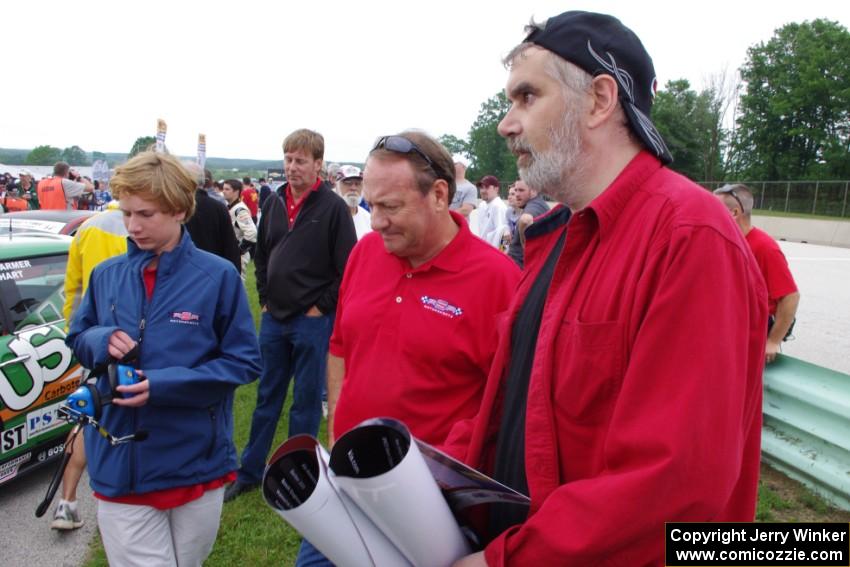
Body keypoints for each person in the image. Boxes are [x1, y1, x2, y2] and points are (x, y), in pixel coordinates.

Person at [446, 11, 767, 566]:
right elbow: (514, 404)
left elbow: (677, 486)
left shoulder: (689, 235)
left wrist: (509, 560)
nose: (505, 123)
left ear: (599, 100)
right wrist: (428, 473)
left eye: (526, 97)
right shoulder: (559, 238)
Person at [298, 133, 520, 566]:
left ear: (439, 194)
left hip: (430, 507)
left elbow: (508, 402)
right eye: (371, 204)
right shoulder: (365, 254)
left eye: (390, 207)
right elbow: (341, 345)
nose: (375, 220)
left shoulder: (497, 280)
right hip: (344, 484)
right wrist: (336, 431)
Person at [66, 151, 261, 566]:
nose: (133, 226)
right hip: (122, 463)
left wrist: (165, 385)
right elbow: (78, 337)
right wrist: (102, 339)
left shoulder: (218, 277)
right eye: (126, 213)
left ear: (178, 210)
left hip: (195, 461)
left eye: (145, 214)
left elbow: (244, 362)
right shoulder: (107, 275)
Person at [225, 129, 356, 502]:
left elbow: (346, 267)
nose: (292, 167)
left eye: (300, 160)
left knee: (305, 401)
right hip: (275, 318)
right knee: (268, 395)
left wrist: (321, 307)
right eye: (288, 159)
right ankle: (249, 472)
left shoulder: (332, 208)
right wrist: (264, 297)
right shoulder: (275, 202)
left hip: (311, 320)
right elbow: (263, 253)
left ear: (318, 164)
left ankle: (298, 473)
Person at [51, 202, 129, 531]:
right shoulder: (150, 224)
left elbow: (74, 289)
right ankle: (119, 506)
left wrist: (77, 337)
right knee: (127, 418)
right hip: (131, 339)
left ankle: (66, 503)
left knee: (86, 418)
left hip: (93, 338)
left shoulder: (88, 227)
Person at [715, 183, 800, 363]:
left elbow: (790, 297)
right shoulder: (726, 242)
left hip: (755, 329)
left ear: (734, 213)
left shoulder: (764, 248)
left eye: (715, 209)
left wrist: (772, 341)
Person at [185, 168, 242, 274]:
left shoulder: (177, 208)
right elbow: (230, 247)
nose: (224, 192)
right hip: (214, 270)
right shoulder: (219, 207)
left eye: (228, 189)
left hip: (191, 270)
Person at [506, 179, 549, 268]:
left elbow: (525, 220)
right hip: (519, 264)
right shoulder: (537, 204)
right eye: (516, 190)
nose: (517, 194)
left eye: (521, 190)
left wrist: (525, 246)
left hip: (519, 267)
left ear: (534, 190)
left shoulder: (534, 205)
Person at [222, 178, 258, 278]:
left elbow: (252, 232)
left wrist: (240, 250)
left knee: (238, 286)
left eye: (227, 189)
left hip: (238, 256)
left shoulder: (239, 210)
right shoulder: (231, 207)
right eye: (223, 189)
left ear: (236, 191)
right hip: (231, 252)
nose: (223, 191)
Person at [335, 165, 371, 240]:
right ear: (337, 186)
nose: (353, 188)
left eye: (357, 184)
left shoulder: (368, 218)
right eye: (348, 183)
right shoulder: (328, 216)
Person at [476, 175, 509, 248]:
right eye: (481, 187)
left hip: (493, 252)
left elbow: (505, 235)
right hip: (483, 249)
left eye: (487, 187)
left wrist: (501, 255)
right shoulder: (482, 205)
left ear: (496, 189)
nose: (482, 191)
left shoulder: (498, 207)